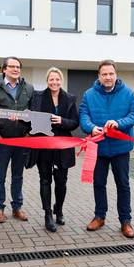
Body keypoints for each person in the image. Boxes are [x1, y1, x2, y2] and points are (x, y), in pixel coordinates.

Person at [79, 59, 134, 238]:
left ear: (116, 75)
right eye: (104, 74)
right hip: (98, 148)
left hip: (121, 148)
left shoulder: (128, 93)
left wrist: (119, 123)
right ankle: (100, 216)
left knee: (123, 184)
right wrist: (91, 127)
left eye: (111, 74)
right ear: (99, 76)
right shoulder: (89, 95)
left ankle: (125, 221)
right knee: (99, 183)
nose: (108, 77)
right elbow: (84, 116)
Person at [26, 67, 79, 232]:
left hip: (62, 146)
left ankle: (59, 210)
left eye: (57, 79)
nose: (54, 82)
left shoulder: (69, 98)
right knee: (45, 180)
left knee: (61, 182)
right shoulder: (38, 97)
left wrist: (61, 121)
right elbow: (29, 119)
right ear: (47, 80)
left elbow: (75, 122)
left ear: (61, 81)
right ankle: (47, 214)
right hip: (44, 146)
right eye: (51, 79)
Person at [0, 56, 34, 223]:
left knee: (18, 176)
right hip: (2, 141)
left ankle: (17, 207)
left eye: (18, 67)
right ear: (4, 69)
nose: (15, 69)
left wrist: (28, 133)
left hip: (21, 141)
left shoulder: (28, 88)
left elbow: (32, 112)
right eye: (12, 66)